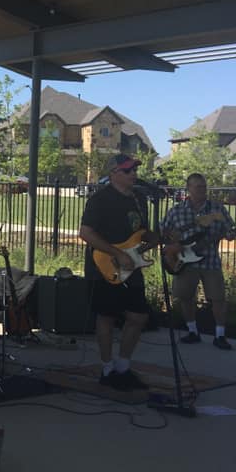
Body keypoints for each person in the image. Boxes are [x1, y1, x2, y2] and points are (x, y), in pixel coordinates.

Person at [79, 153, 157, 391]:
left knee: (139, 316)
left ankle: (123, 367)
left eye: (135, 170)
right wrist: (116, 253)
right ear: (113, 173)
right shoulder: (100, 199)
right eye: (128, 170)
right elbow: (86, 233)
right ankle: (107, 369)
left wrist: (158, 238)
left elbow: (141, 232)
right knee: (107, 316)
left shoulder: (139, 199)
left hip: (132, 266)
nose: (134, 174)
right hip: (104, 266)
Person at [161, 173, 236, 350]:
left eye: (204, 186)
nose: (202, 189)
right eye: (198, 186)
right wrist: (173, 246)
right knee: (185, 297)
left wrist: (230, 235)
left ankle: (220, 335)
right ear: (189, 188)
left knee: (218, 299)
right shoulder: (176, 211)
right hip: (184, 262)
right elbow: (162, 232)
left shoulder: (217, 209)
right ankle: (192, 331)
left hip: (210, 261)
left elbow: (230, 230)